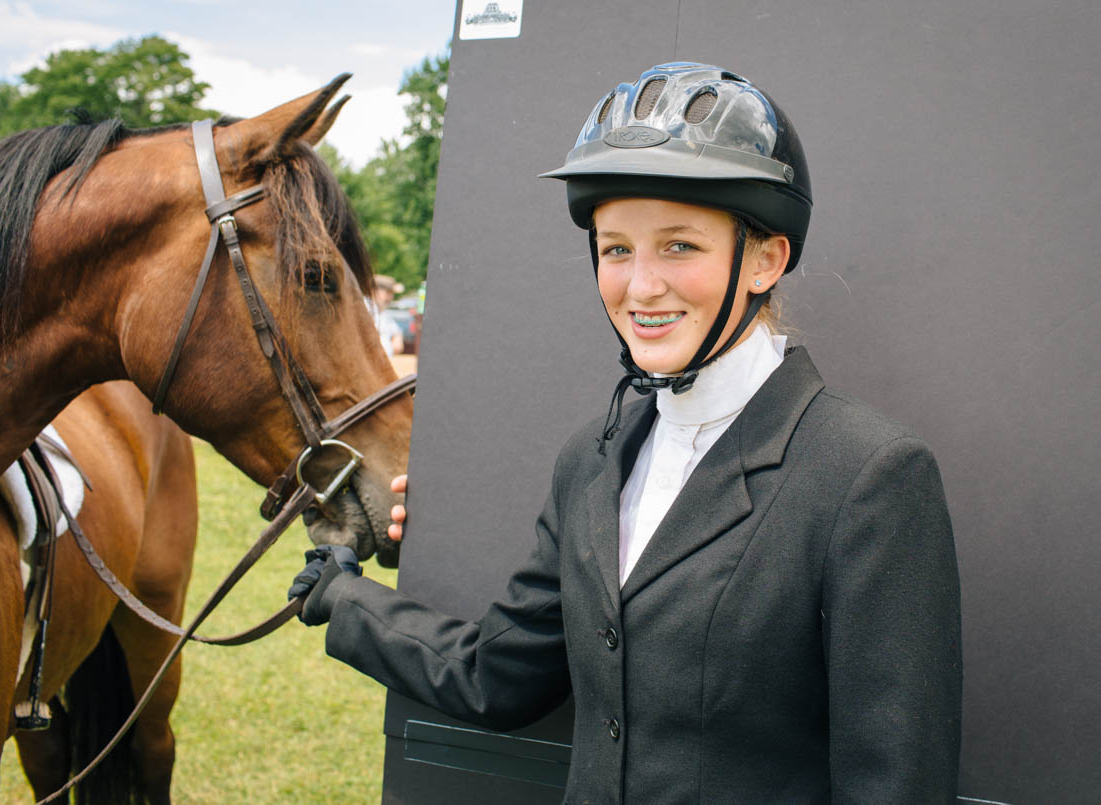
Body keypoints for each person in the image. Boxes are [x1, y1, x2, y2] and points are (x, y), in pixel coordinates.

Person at [291, 62, 962, 803]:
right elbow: (499, 671)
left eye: (679, 246)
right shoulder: (593, 459)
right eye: (617, 249)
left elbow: (892, 785)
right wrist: (343, 597)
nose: (641, 286)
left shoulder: (868, 477)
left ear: (766, 258)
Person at [364, 273, 404, 357]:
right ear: (375, 291)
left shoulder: (382, 312)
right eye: (388, 293)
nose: (391, 297)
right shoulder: (364, 309)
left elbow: (396, 333)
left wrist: (397, 336)